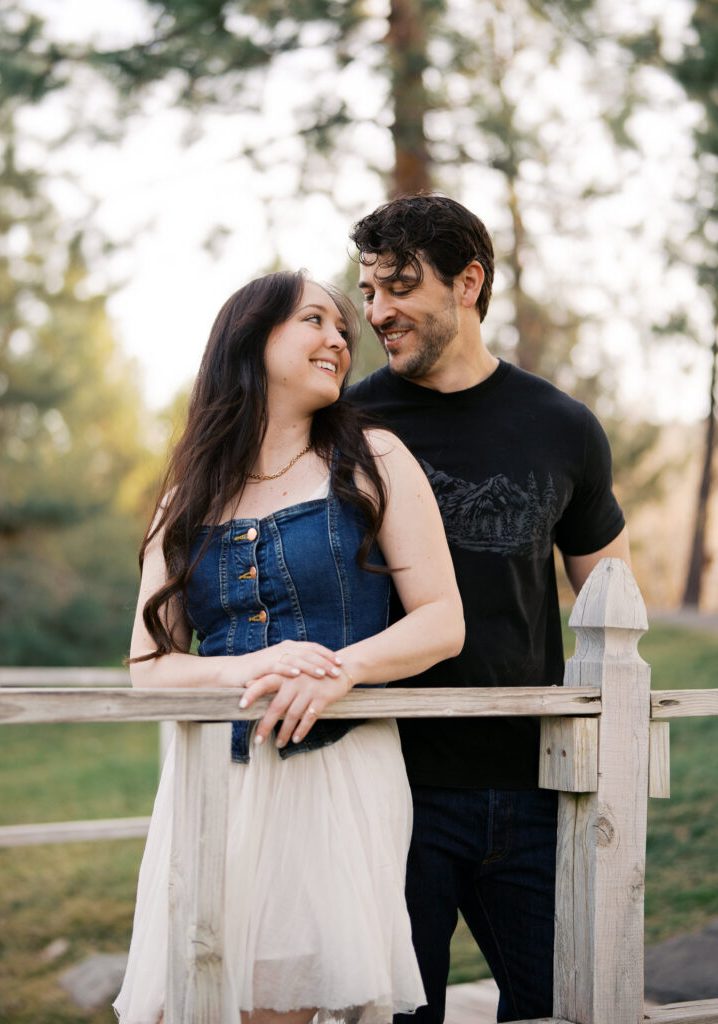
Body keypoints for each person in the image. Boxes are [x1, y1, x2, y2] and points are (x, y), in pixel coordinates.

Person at [112, 269, 465, 1024]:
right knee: (200, 997)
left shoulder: (374, 460)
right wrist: (251, 665)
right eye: (316, 320)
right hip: (211, 784)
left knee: (276, 1005)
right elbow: (148, 668)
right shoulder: (187, 495)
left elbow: (441, 620)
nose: (340, 338)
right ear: (252, 338)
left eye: (343, 327)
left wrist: (341, 671)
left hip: (329, 779)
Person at [346, 194, 631, 1024]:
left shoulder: (562, 427)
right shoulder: (350, 426)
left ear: (468, 282)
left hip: (533, 786)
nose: (377, 312)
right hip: (391, 781)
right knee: (400, 1014)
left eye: (399, 286)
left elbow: (612, 605)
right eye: (368, 291)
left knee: (563, 1004)